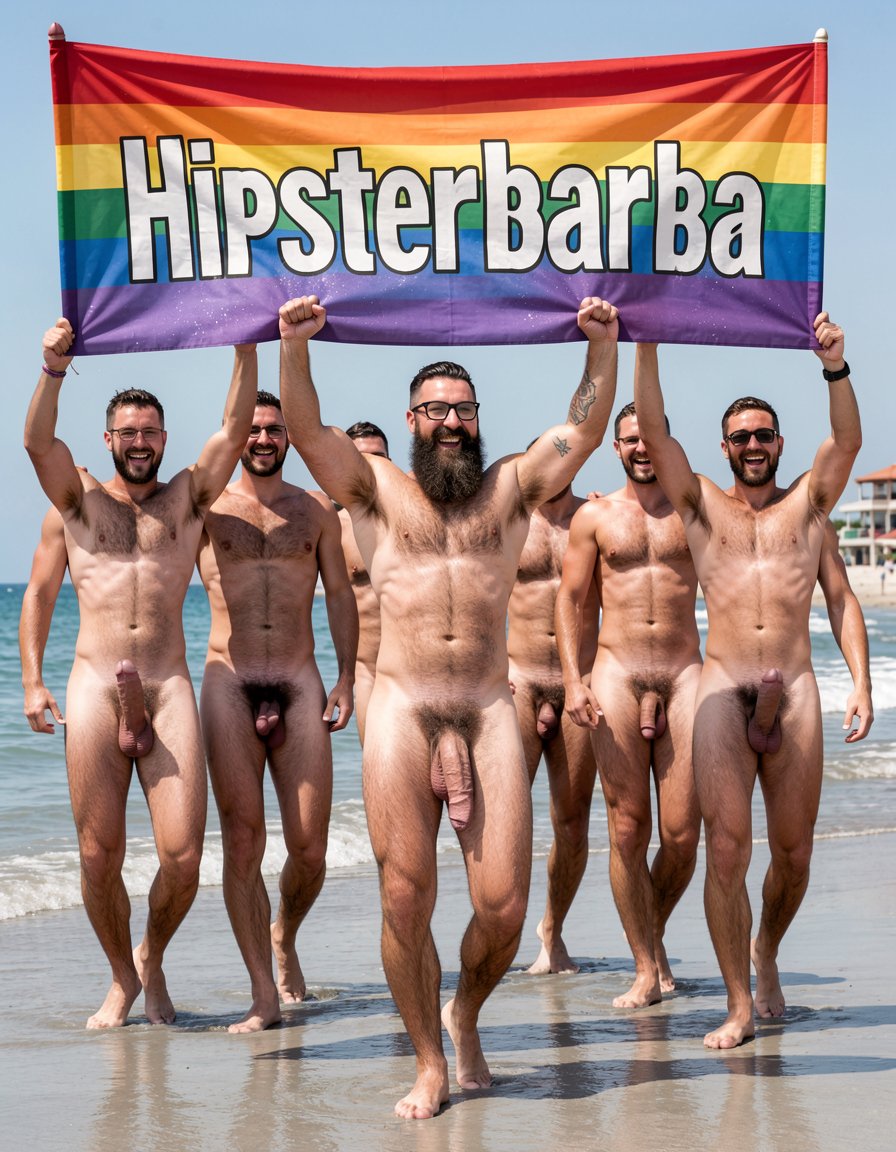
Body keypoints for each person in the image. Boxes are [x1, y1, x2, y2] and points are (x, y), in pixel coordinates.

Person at [277, 294, 620, 1119]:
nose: (452, 422)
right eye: (436, 410)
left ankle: (465, 1010)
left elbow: (584, 430)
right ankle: (430, 1058)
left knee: (501, 904)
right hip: (400, 706)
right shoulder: (375, 490)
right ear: (412, 418)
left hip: (484, 706)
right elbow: (306, 429)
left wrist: (601, 346)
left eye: (463, 409)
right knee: (405, 896)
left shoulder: (509, 491)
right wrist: (294, 345)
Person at [633, 312, 862, 1049]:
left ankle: (766, 950)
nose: (754, 446)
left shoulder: (808, 507)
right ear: (724, 447)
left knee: (793, 854)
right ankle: (736, 1002)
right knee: (726, 852)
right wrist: (648, 340)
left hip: (793, 693)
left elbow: (848, 442)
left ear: (779, 444)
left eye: (765, 435)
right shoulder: (701, 505)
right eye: (742, 437)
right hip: (723, 692)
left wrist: (833, 365)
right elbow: (657, 438)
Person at [24, 318, 258, 1028]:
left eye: (149, 431)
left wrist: (247, 341)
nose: (139, 441)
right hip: (94, 687)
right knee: (98, 857)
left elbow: (234, 426)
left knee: (183, 859)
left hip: (167, 688)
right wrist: (53, 368)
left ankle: (151, 955)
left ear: (162, 437)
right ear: (108, 439)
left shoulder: (188, 499)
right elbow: (37, 443)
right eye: (126, 431)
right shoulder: (77, 504)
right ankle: (123, 980)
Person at [197, 390, 358, 1033]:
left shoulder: (316, 511)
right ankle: (263, 992)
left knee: (309, 848)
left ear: (290, 440)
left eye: (274, 431)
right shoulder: (207, 509)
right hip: (229, 681)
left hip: (298, 677)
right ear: (238, 437)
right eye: (254, 429)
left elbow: (342, 592)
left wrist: (346, 675)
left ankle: (284, 931)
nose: (263, 439)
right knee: (242, 841)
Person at [555, 402, 703, 1007]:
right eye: (629, 441)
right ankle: (645, 964)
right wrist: (573, 680)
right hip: (614, 672)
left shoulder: (697, 509)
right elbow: (569, 599)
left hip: (683, 670)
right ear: (615, 449)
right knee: (626, 827)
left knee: (682, 834)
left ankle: (651, 927)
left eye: (651, 438)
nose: (641, 449)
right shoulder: (595, 516)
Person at [507, 479, 600, 976]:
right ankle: (501, 935)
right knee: (507, 820)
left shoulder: (594, 519)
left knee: (572, 821)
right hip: (519, 681)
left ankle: (553, 931)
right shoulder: (508, 521)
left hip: (579, 683)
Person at [337, 422, 390, 745]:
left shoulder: (418, 515)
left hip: (424, 674)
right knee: (381, 780)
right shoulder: (334, 527)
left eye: (379, 458)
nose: (371, 467)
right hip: (370, 674)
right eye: (360, 459)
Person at [20, 505, 69, 734]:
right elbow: (40, 595)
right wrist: (32, 684)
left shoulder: (182, 503)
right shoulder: (73, 509)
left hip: (169, 688)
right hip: (95, 689)